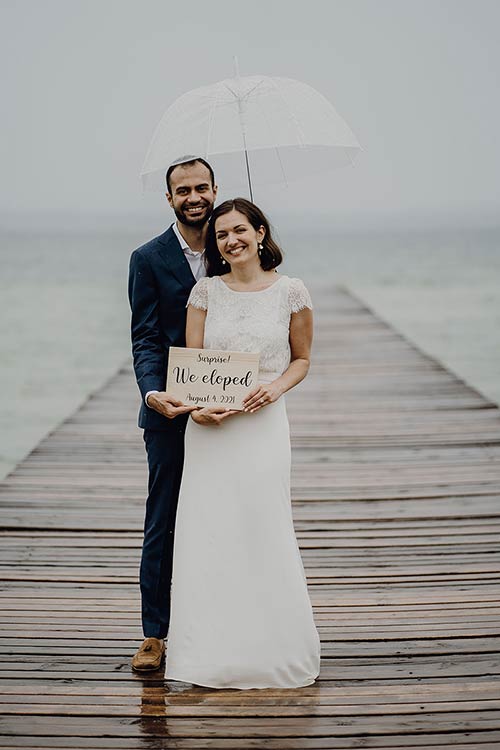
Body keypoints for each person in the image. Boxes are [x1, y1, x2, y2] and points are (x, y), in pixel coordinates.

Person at [165, 198, 321, 689]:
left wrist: (274, 388)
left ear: (259, 232)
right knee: (209, 534)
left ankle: (273, 650)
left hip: (263, 427)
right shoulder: (205, 292)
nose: (229, 241)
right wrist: (196, 408)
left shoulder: (291, 292)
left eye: (238, 231)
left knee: (263, 528)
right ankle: (208, 654)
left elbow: (301, 359)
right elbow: (188, 365)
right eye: (220, 236)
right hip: (210, 431)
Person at [128, 156, 223, 671]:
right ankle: (155, 634)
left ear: (214, 190)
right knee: (162, 517)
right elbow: (144, 336)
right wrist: (151, 393)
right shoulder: (147, 258)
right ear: (169, 198)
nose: (194, 197)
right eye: (182, 189)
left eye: (201, 187)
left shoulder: (233, 246)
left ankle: (223, 620)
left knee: (227, 512)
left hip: (230, 408)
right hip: (170, 407)